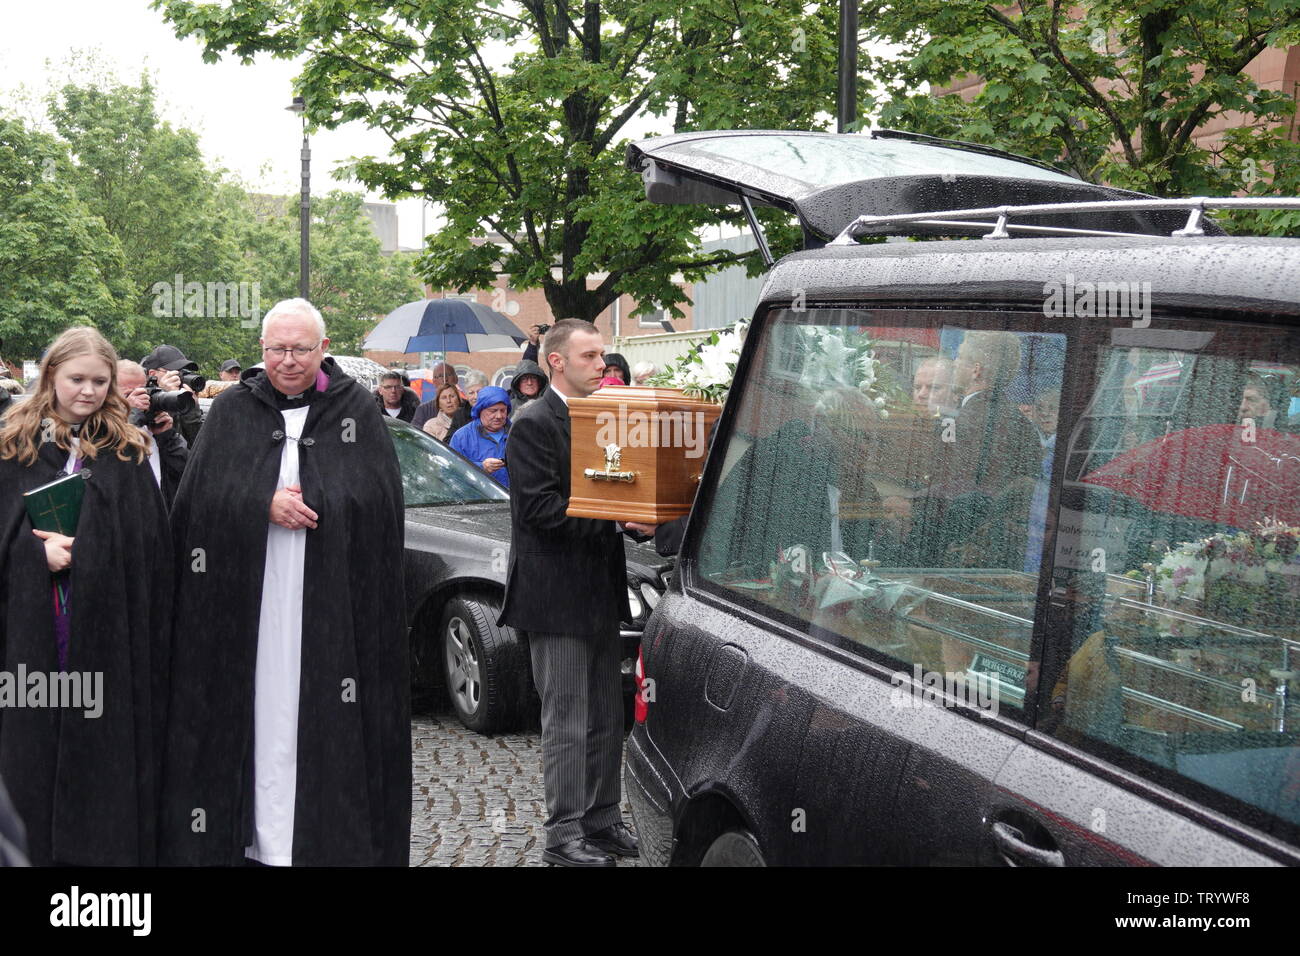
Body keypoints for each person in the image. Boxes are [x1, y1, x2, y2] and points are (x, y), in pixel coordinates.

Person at [159, 297, 410, 867]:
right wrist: (258, 503)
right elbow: (196, 505)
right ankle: (252, 843)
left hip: (330, 609)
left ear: (324, 349)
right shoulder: (231, 412)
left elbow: (377, 505)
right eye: (277, 349)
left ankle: (326, 842)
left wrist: (322, 501)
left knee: (324, 718)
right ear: (262, 350)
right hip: (249, 606)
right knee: (258, 716)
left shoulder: (357, 411)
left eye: (300, 348)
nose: (288, 360)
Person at [0, 326, 172, 865]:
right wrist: (36, 557)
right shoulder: (12, 446)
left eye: (100, 381)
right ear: (51, 376)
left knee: (100, 756)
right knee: (33, 756)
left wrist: (93, 550)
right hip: (29, 643)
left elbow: (150, 548)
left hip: (104, 638)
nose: (89, 391)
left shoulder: (126, 452)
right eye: (77, 379)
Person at [499, 319, 650, 866]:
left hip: (600, 590)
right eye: (589, 356)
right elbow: (538, 512)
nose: (602, 365)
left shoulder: (602, 416)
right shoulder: (533, 422)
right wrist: (614, 515)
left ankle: (603, 820)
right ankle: (564, 834)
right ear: (555, 361)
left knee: (608, 716)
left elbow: (616, 486)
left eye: (603, 356)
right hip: (554, 595)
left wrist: (635, 515)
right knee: (567, 718)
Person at [118, 359, 190, 506]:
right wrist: (130, 418)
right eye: (129, 394)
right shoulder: (100, 429)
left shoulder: (152, 425)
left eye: (143, 391)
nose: (140, 400)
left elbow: (186, 472)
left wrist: (167, 437)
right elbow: (115, 470)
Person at [141, 344, 205, 445]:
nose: (180, 378)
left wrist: (192, 411)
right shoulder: (139, 399)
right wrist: (165, 398)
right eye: (175, 373)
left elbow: (199, 449)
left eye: (183, 373)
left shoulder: (184, 400)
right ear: (153, 374)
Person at [450, 386, 511, 488]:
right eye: (493, 411)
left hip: (515, 500)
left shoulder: (517, 433)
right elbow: (451, 471)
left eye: (503, 410)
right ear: (480, 410)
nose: (499, 416)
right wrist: (481, 467)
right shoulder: (462, 437)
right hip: (480, 500)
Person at [411, 362, 471, 433]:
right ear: (433, 381)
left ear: (456, 379)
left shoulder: (468, 406)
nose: (445, 379)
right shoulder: (424, 410)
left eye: (448, 375)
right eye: (440, 376)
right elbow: (415, 434)